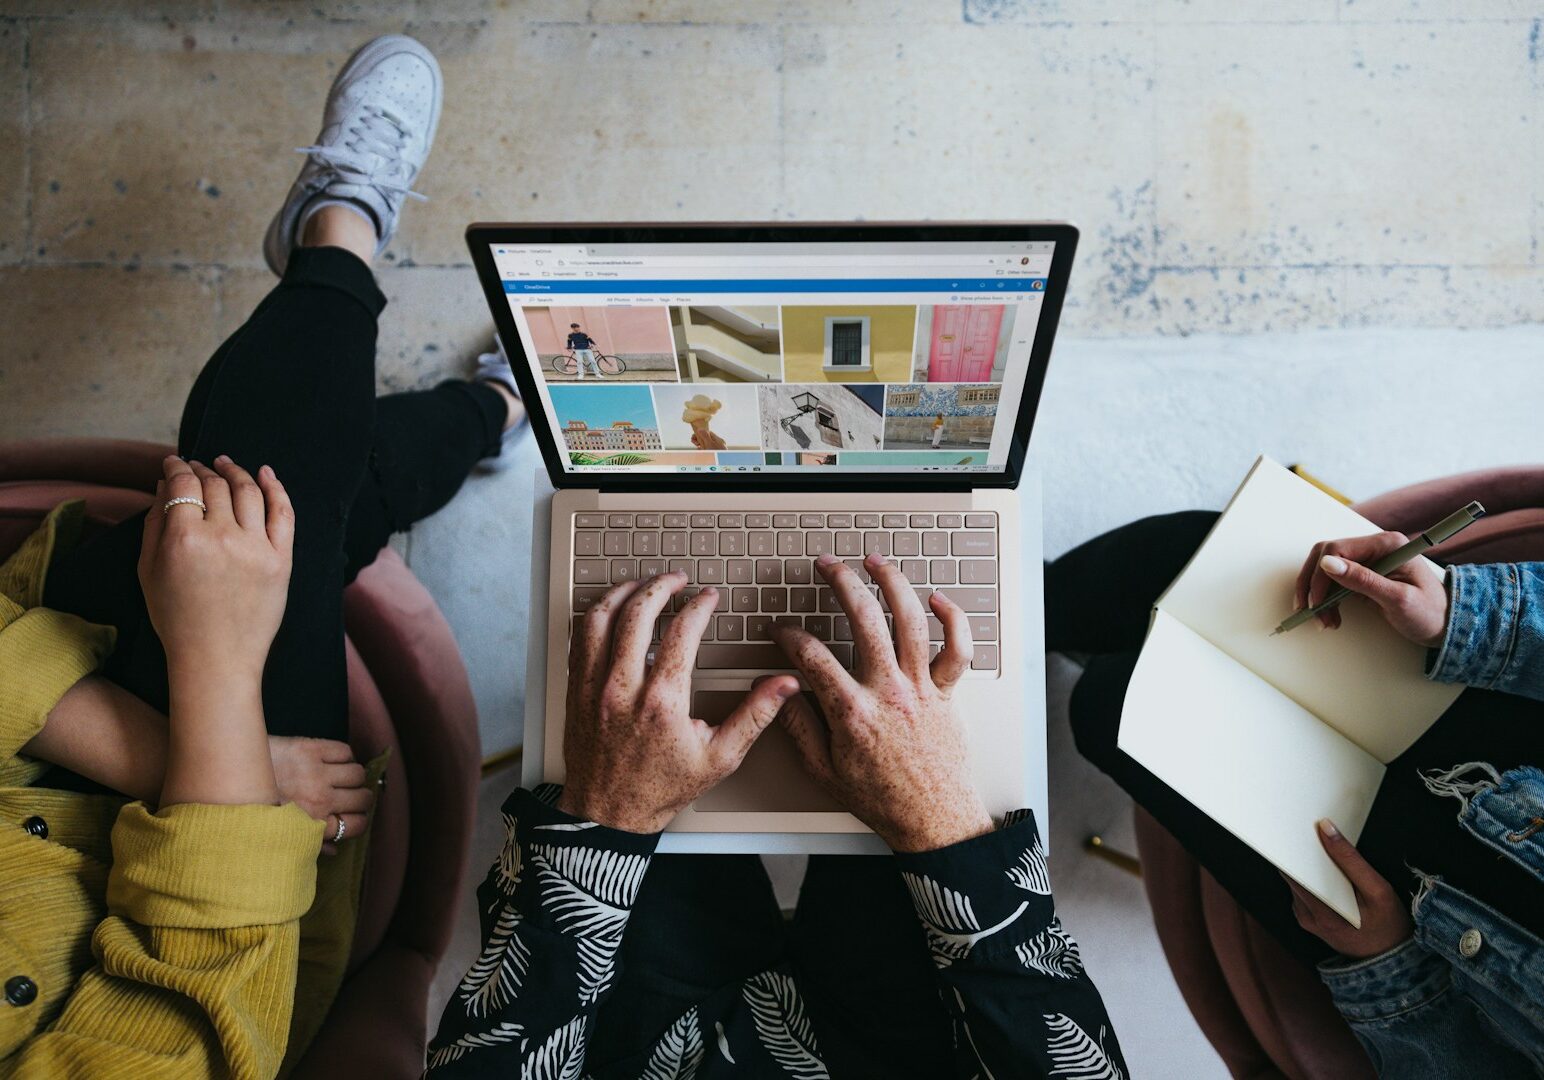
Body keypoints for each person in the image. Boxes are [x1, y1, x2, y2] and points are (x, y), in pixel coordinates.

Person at [3, 34, 524, 1070]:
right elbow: (200, 1000)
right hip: (230, 898)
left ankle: (393, 295)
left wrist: (165, 745)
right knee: (283, 498)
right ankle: (362, 262)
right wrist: (219, 687)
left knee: (267, 495)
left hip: (50, 717)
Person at [429, 556, 1128, 1078]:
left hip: (639, 1052)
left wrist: (608, 817)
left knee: (614, 726)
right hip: (924, 1050)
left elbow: (493, 1051)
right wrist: (936, 817)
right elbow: (1058, 1041)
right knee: (903, 713)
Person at [1050, 512, 1544, 1076]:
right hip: (1490, 691)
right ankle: (1018, 612)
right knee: (1202, 567)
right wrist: (1470, 613)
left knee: (1108, 709)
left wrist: (1388, 966)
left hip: (1392, 911)